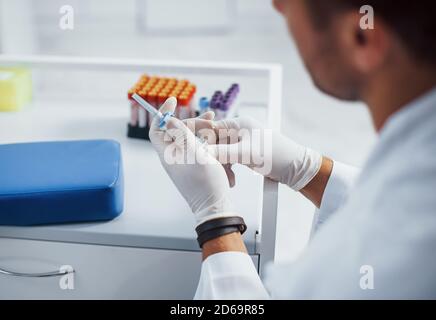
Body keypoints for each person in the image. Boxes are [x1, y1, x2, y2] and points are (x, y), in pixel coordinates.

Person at [150, 0, 436, 299]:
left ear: (360, 37)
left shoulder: (381, 268)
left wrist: (215, 220)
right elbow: (388, 211)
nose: (276, 6)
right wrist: (307, 169)